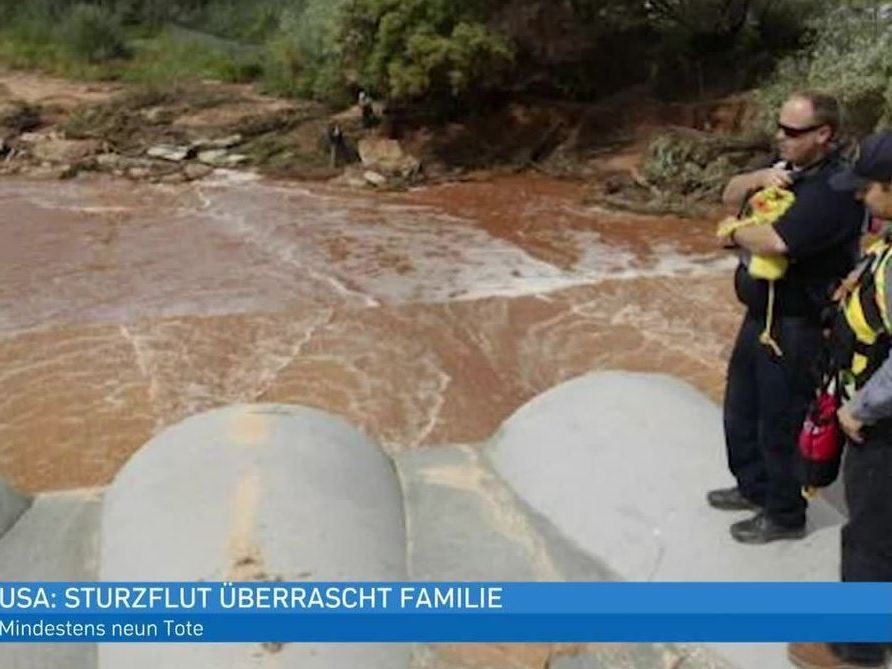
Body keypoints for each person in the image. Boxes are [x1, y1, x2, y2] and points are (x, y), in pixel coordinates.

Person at [707, 91, 866, 543]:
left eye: (792, 131)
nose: (781, 137)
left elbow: (777, 242)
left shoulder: (834, 189)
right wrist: (758, 177)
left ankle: (784, 513)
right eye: (780, 128)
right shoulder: (784, 168)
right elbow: (728, 194)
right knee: (741, 409)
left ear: (824, 135)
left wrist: (736, 233)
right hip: (762, 315)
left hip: (798, 325)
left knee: (780, 419)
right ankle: (752, 486)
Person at [788, 132, 892, 669]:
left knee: (871, 535)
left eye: (870, 187)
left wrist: (860, 408)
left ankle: (857, 651)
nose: (860, 197)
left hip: (884, 427)